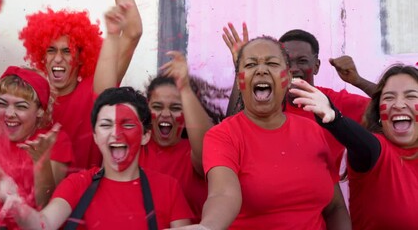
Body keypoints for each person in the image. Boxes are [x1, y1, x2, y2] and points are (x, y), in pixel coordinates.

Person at [170, 36, 351, 230]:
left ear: (288, 78)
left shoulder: (313, 131)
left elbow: (335, 208)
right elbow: (223, 194)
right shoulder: (223, 135)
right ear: (240, 80)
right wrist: (207, 227)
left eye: (272, 63)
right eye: (250, 64)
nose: (261, 69)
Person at [0, 86, 195, 229]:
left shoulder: (168, 188)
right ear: (96, 136)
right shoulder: (77, 184)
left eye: (128, 124)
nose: (116, 134)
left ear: (145, 135)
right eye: (106, 125)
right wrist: (13, 202)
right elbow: (42, 226)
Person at [18, 0, 142, 172]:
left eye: (67, 51)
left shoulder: (94, 88)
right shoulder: (25, 96)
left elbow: (133, 32)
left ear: (81, 58)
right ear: (42, 56)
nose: (58, 58)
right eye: (51, 50)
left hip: (85, 195)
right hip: (35, 197)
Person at [224, 24, 372, 173]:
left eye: (302, 61)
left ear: (316, 66)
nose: (294, 68)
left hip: (324, 191)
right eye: (287, 62)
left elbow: (387, 106)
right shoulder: (266, 101)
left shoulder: (334, 102)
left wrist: (358, 80)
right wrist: (241, 67)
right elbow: (231, 128)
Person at [290, 64, 418, 230]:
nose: (398, 104)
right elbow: (361, 142)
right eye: (389, 98)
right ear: (379, 114)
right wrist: (335, 119)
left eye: (411, 96)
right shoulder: (376, 150)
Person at [0, 66, 73, 229]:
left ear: (40, 111)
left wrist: (40, 161)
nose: (9, 113)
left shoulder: (54, 140)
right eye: (2, 104)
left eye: (21, 106)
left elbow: (46, 205)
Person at [139, 51, 214, 223]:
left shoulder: (192, 152)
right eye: (157, 106)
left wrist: (185, 88)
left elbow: (208, 152)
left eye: (175, 108)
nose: (165, 114)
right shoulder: (135, 150)